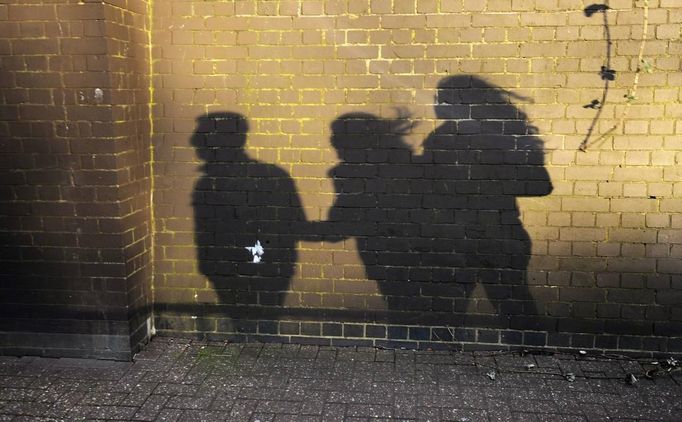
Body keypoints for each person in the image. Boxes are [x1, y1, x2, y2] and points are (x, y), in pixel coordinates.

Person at [422, 75, 553, 325]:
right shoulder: (439, 139)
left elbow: (540, 184)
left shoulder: (503, 138)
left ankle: (531, 355)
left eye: (442, 99)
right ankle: (446, 360)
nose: (436, 104)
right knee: (449, 311)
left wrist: (483, 184)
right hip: (459, 237)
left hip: (496, 235)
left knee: (512, 306)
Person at [192, 112, 306, 322]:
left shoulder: (209, 185)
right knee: (260, 325)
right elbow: (295, 224)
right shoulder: (273, 175)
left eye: (202, 135)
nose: (194, 141)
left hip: (242, 269)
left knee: (249, 325)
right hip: (261, 268)